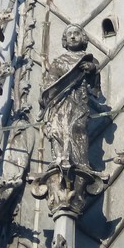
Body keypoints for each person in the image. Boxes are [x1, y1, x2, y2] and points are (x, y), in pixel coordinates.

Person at [40, 25, 100, 169]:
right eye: (69, 35)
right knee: (57, 130)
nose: (73, 37)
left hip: (79, 102)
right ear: (65, 40)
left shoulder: (89, 60)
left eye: (76, 34)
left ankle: (80, 161)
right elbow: (50, 83)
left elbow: (95, 85)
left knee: (78, 128)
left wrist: (92, 70)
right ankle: (59, 158)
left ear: (83, 38)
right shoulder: (58, 62)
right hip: (60, 104)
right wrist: (44, 95)